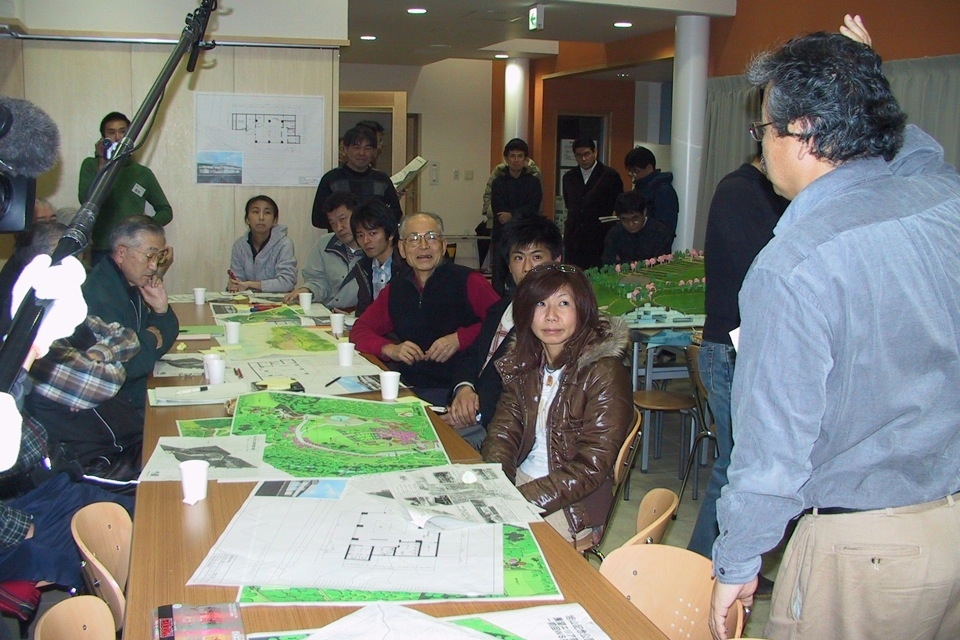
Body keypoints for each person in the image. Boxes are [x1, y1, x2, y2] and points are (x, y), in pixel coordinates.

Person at [709, 23, 960, 640]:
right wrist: (865, 78)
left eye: (763, 129)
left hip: (863, 550)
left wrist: (737, 563)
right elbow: (919, 151)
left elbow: (772, 453)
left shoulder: (793, 265)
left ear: (803, 135)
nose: (760, 145)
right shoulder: (941, 198)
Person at [685, 152, 788, 587]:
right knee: (733, 467)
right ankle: (701, 567)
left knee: (736, 466)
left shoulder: (761, 194)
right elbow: (764, 271)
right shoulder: (740, 191)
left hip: (741, 348)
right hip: (729, 350)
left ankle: (712, 563)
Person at [481, 263, 632, 544]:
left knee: (502, 546)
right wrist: (498, 486)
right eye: (540, 304)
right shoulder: (525, 362)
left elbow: (591, 466)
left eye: (563, 303)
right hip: (522, 481)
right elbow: (502, 434)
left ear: (583, 310)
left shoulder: (604, 372)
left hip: (574, 503)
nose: (551, 316)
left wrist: (521, 499)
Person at [350, 212, 499, 406]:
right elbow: (359, 331)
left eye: (431, 237)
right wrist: (391, 350)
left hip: (461, 390)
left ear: (444, 246)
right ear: (402, 249)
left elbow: (505, 325)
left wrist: (460, 338)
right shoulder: (397, 288)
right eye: (413, 239)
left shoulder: (469, 281)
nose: (423, 246)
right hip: (409, 388)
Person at [447, 216, 563, 449]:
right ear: (509, 265)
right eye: (518, 258)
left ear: (557, 262)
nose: (527, 267)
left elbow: (527, 392)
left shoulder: (555, 323)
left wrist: (474, 413)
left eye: (537, 257)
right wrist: (464, 388)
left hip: (505, 432)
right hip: (472, 415)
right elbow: (473, 355)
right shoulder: (501, 307)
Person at [82, 215, 179, 414]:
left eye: (159, 257)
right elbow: (128, 366)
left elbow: (154, 348)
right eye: (149, 256)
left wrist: (161, 310)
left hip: (136, 396)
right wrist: (151, 337)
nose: (154, 266)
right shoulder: (100, 294)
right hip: (115, 410)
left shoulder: (130, 282)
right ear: (121, 253)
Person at [78, 111, 173, 265]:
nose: (118, 137)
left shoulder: (142, 173)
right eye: (111, 133)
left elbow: (165, 211)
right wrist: (102, 163)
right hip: (102, 249)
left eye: (123, 132)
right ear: (103, 138)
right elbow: (86, 200)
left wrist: (143, 226)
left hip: (135, 251)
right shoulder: (91, 165)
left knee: (133, 289)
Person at [311, 125, 402, 231]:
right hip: (341, 242)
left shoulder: (382, 180)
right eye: (356, 147)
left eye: (367, 148)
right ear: (345, 148)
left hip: (374, 241)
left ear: (374, 151)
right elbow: (317, 219)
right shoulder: (331, 179)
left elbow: (396, 214)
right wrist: (344, 221)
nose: (362, 153)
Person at [285, 192, 363, 310]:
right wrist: (307, 290)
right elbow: (318, 280)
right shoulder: (324, 244)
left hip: (358, 316)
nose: (339, 227)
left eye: (343, 219)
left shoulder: (372, 248)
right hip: (327, 311)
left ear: (357, 215)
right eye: (333, 223)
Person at [490, 138, 543, 294]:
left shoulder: (533, 182)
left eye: (520, 156)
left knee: (524, 273)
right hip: (502, 235)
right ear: (506, 158)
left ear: (526, 159)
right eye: (512, 156)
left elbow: (534, 207)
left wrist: (512, 215)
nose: (516, 160)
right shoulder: (498, 182)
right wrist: (517, 214)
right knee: (499, 275)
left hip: (525, 235)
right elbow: (499, 212)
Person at [561, 138, 623, 270]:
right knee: (574, 278)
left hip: (599, 237)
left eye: (587, 154)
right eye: (579, 155)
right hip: (574, 238)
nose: (583, 159)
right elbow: (569, 203)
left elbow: (618, 205)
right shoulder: (569, 177)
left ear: (595, 152)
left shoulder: (610, 175)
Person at [345, 199, 407, 317]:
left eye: (372, 233)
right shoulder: (363, 268)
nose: (366, 241)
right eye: (360, 235)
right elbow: (363, 311)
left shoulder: (406, 266)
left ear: (391, 234)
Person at [227, 195, 297, 293]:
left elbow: (287, 282)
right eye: (255, 212)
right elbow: (238, 279)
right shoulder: (239, 246)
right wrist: (234, 284)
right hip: (247, 302)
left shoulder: (284, 244)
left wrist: (250, 284)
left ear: (275, 220)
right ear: (247, 219)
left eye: (267, 213)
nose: (261, 217)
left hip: (278, 302)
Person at [601, 190, 675, 266]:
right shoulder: (614, 234)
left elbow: (661, 266)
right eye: (624, 220)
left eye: (635, 219)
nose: (631, 224)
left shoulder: (660, 233)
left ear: (644, 212)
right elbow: (608, 265)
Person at [624, 145, 678, 239]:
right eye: (631, 172)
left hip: (654, 246)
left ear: (649, 168)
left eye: (636, 171)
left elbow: (666, 228)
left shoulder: (663, 190)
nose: (634, 176)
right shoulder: (639, 188)